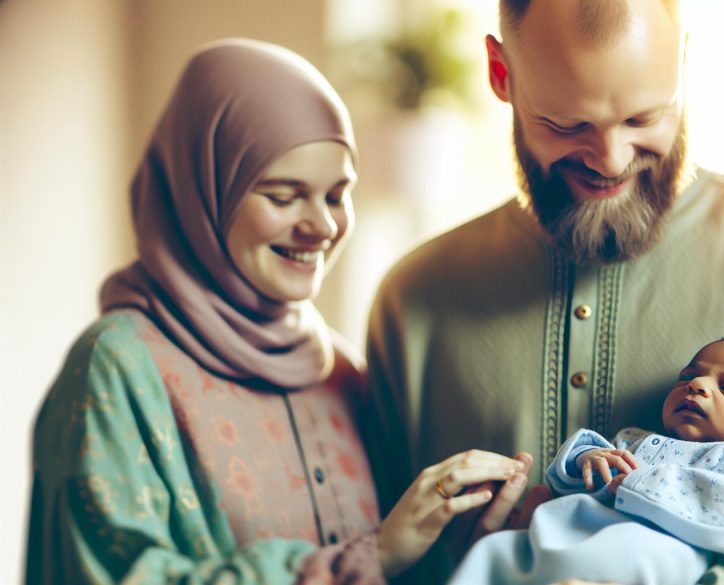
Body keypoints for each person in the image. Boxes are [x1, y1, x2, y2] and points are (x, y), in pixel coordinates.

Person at [364, 0, 724, 583]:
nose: (611, 161)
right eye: (567, 124)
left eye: (644, 118)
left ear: (683, 62)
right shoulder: (414, 298)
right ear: (501, 75)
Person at [25, 38, 533, 584]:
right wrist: (369, 558)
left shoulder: (338, 371)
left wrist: (469, 537)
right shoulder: (117, 367)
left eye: (337, 195)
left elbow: (393, 559)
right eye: (285, 195)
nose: (322, 226)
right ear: (205, 194)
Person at [448, 336, 724, 584]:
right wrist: (588, 457)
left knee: (642, 552)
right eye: (689, 377)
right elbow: (565, 482)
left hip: (646, 550)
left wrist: (638, 482)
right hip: (557, 537)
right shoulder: (635, 439)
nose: (698, 386)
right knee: (492, 551)